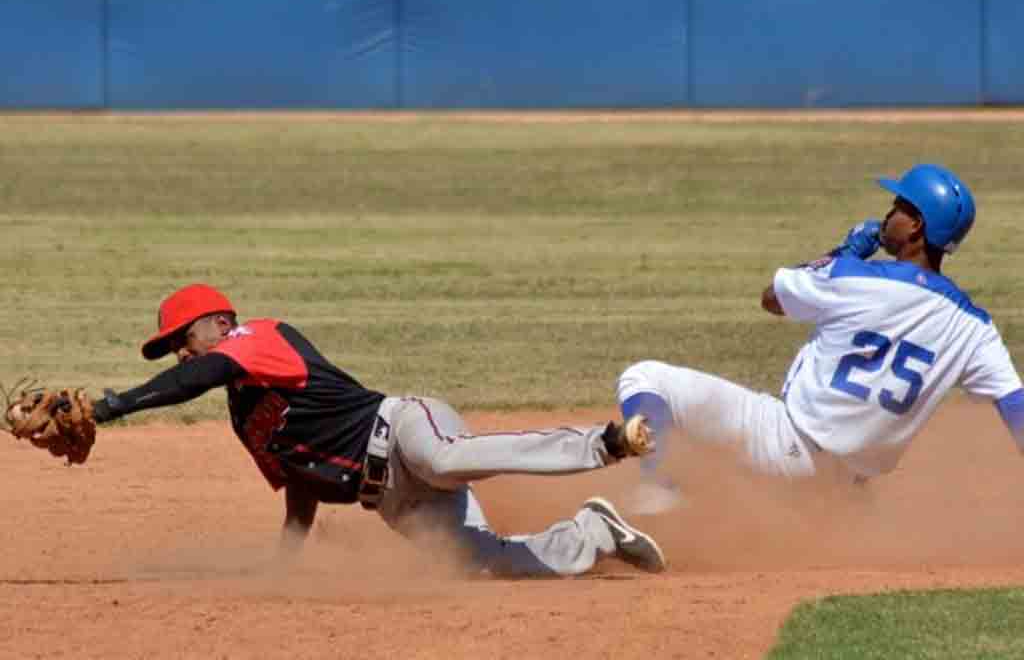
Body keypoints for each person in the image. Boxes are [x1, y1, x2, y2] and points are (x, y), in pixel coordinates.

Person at [89, 283, 667, 577]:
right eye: (170, 349)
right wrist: (287, 562)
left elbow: (201, 375)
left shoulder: (259, 337)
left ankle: (605, 442)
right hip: (392, 500)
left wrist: (108, 407)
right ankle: (594, 533)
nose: (179, 354)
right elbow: (302, 481)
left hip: (404, 429)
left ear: (219, 323)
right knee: (480, 563)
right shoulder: (245, 414)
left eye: (180, 340)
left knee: (446, 460)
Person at [616, 163, 1024, 512]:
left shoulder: (855, 276)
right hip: (842, 485)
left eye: (898, 207)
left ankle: (658, 499)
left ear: (916, 225)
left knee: (645, 378)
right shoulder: (975, 327)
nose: (888, 214)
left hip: (784, 445)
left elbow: (772, 299)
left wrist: (844, 251)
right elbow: (1016, 408)